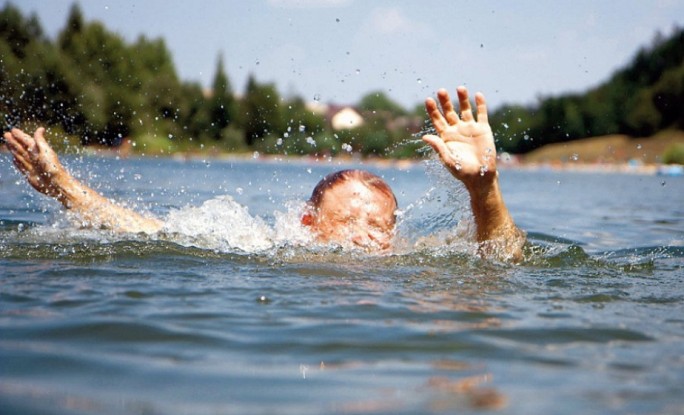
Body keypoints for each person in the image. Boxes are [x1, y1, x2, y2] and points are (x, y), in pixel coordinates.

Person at [2, 86, 525, 260]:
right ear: (304, 224)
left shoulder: (408, 262)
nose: (366, 240)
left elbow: (503, 255)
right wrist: (64, 187)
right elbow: (145, 231)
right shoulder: (261, 244)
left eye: (378, 228)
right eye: (347, 224)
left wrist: (485, 189)